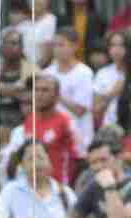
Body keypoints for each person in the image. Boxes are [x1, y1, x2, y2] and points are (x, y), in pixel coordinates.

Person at [44, 27, 95, 158]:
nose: (57, 49)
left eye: (61, 45)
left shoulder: (84, 73)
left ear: (74, 46)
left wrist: (55, 94)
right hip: (53, 136)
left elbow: (80, 110)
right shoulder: (47, 73)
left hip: (79, 137)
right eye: (55, 45)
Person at [22, 73, 78, 185]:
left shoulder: (66, 122)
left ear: (57, 96)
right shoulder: (29, 120)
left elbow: (78, 159)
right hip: (34, 187)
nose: (39, 94)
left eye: (45, 90)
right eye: (36, 90)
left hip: (59, 188)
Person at [92, 31, 131, 129]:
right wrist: (112, 93)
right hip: (110, 129)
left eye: (121, 45)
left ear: (129, 48)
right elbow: (96, 111)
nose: (116, 49)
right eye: (113, 45)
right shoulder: (102, 73)